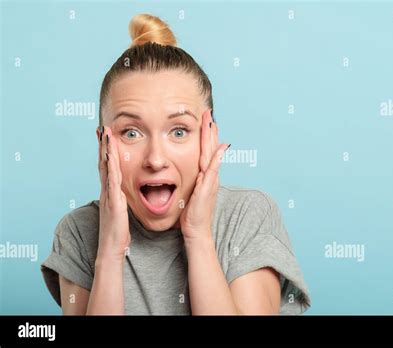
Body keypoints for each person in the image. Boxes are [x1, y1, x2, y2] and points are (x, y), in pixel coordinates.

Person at [41, 13, 311, 315]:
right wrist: (110, 251)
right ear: (104, 144)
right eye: (131, 132)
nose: (156, 159)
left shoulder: (248, 216)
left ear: (208, 137)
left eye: (179, 131)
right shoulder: (78, 231)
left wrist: (198, 235)